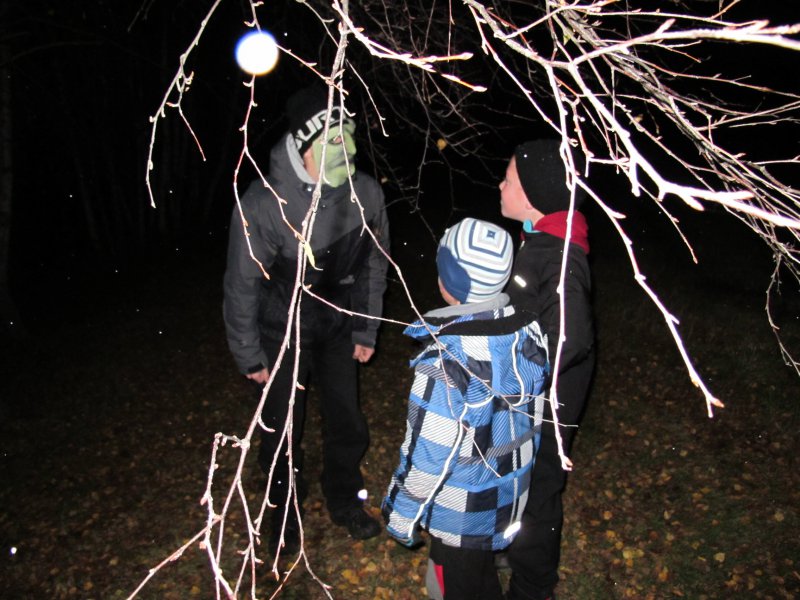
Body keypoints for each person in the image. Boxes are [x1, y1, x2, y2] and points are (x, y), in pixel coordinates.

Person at [223, 84, 390, 556]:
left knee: (347, 422)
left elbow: (375, 264)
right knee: (281, 428)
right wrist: (249, 353)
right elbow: (241, 283)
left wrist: (365, 326)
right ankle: (280, 513)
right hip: (281, 331)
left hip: (337, 325)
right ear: (305, 145)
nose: (349, 148)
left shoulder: (366, 194)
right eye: (336, 139)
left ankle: (346, 499)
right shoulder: (264, 203)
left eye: (350, 135)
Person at [382, 217, 550, 600]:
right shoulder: (526, 332)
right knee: (478, 578)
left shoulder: (447, 362)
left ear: (451, 280)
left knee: (458, 587)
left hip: (461, 516)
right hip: (509, 497)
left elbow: (429, 456)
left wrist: (400, 515)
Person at [499, 139, 595, 600]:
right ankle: (512, 545)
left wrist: (522, 378)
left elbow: (571, 336)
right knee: (516, 477)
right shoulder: (540, 238)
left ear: (534, 193)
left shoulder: (558, 255)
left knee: (538, 488)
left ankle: (533, 587)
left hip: (549, 406)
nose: (500, 186)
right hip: (531, 401)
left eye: (509, 180)